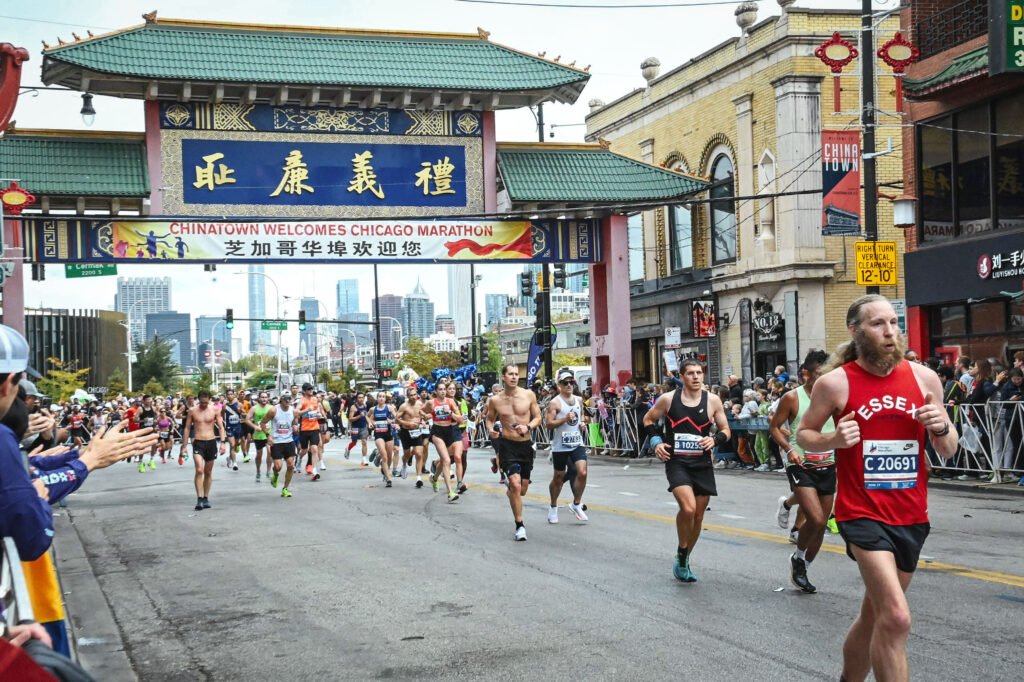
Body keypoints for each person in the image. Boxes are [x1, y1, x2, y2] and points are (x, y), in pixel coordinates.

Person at [796, 295, 957, 682]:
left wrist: (941, 426)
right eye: (878, 324)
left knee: (875, 616)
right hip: (862, 514)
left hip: (911, 514)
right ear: (856, 331)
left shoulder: (923, 378)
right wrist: (833, 439)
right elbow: (804, 434)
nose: (890, 332)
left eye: (893, 323)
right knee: (897, 617)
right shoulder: (835, 383)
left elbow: (949, 450)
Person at [642, 358, 730, 582]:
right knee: (688, 509)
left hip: (702, 463)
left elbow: (726, 429)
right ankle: (682, 551)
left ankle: (684, 558)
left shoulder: (712, 400)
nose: (696, 377)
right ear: (681, 377)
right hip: (677, 461)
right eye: (690, 373)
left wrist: (715, 440)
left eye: (699, 372)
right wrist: (656, 442)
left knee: (698, 516)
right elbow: (648, 419)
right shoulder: (668, 399)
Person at [769, 349, 835, 593]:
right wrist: (788, 449)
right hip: (800, 463)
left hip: (828, 463)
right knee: (816, 518)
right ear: (806, 373)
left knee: (821, 525)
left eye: (829, 373)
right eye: (820, 373)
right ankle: (798, 553)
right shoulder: (792, 398)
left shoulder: (835, 398)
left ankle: (801, 565)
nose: (825, 379)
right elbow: (774, 426)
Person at [485, 365, 542, 541]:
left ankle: (508, 483)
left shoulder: (528, 395)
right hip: (507, 445)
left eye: (517, 374)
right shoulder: (495, 400)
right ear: (503, 377)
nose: (514, 377)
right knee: (515, 485)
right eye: (511, 374)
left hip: (525, 445)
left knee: (522, 490)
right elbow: (489, 419)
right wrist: (490, 430)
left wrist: (528, 426)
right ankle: (520, 526)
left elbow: (538, 417)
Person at [545, 368, 589, 524]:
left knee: (582, 472)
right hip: (560, 446)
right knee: (558, 477)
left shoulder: (579, 400)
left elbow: (581, 416)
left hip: (577, 442)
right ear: (559, 386)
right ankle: (553, 506)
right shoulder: (555, 403)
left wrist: (582, 423)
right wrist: (564, 419)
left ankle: (576, 504)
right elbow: (548, 424)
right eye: (565, 383)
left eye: (571, 382)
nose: (569, 385)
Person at [180, 390, 227, 511]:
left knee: (208, 471)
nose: (204, 405)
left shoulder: (215, 410)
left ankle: (206, 497)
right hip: (198, 442)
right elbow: (186, 428)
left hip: (211, 442)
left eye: (206, 402)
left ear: (209, 400)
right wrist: (184, 446)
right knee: (199, 470)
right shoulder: (192, 411)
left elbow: (221, 427)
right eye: (201, 402)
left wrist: (222, 443)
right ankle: (199, 498)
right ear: (198, 400)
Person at [421, 382, 462, 503]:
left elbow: (459, 418)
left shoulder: (450, 402)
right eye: (440, 389)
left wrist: (450, 413)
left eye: (444, 389)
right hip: (437, 432)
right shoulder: (431, 402)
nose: (443, 391)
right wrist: (427, 416)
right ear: (436, 391)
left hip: (449, 431)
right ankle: (450, 492)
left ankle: (434, 478)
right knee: (447, 460)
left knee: (444, 461)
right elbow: (421, 412)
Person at [259, 393, 298, 498]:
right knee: (278, 467)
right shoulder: (273, 410)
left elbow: (295, 422)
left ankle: (285, 488)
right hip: (276, 441)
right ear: (281, 400)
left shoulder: (293, 411)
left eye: (289, 399)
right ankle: (275, 475)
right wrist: (268, 435)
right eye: (286, 399)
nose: (288, 401)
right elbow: (262, 423)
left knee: (290, 465)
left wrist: (295, 426)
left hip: (289, 440)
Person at [396, 386, 427, 488]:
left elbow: (424, 415)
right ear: (407, 396)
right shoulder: (404, 406)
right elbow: (397, 419)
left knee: (419, 453)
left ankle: (418, 478)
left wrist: (423, 421)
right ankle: (404, 464)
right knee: (407, 454)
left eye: (415, 394)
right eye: (411, 395)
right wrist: (408, 423)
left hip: (417, 431)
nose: (413, 397)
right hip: (406, 432)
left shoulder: (420, 404)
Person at [296, 383, 325, 481]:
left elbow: (317, 411)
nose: (311, 390)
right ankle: (299, 460)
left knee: (314, 449)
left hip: (314, 428)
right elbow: (296, 412)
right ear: (304, 391)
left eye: (311, 389)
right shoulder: (302, 401)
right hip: (304, 429)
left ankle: (314, 471)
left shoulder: (315, 399)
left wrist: (318, 415)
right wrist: (306, 410)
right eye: (308, 389)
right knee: (304, 449)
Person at [245, 391, 274, 483]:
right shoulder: (254, 408)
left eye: (266, 397)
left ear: (268, 398)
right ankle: (258, 472)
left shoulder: (272, 408)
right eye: (262, 397)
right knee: (259, 455)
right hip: (258, 435)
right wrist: (255, 427)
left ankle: (269, 471)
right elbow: (247, 420)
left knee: (270, 452)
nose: (264, 399)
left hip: (269, 434)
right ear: (259, 398)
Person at [371, 391, 397, 487]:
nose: (381, 398)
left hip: (388, 434)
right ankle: (388, 479)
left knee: (389, 457)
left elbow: (397, 418)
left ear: (385, 399)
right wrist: (371, 423)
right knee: (384, 455)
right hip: (378, 434)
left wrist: (392, 421)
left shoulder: (389, 408)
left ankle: (385, 470)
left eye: (383, 397)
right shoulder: (373, 409)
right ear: (377, 399)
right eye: (380, 397)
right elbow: (369, 418)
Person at [347, 392, 370, 465]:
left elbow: (366, 416)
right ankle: (348, 448)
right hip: (355, 427)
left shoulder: (365, 405)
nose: (361, 399)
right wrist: (359, 416)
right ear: (357, 399)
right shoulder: (353, 407)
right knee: (354, 442)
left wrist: (369, 423)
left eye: (362, 397)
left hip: (363, 427)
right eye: (359, 397)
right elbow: (350, 419)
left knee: (364, 442)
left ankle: (364, 459)